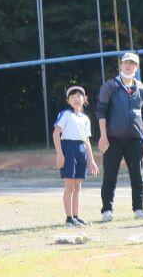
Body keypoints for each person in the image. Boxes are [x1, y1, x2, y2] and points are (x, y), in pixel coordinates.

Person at [97, 52, 143, 222]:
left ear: (137, 67)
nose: (128, 66)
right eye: (126, 62)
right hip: (113, 138)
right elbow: (101, 112)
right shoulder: (110, 86)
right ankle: (107, 210)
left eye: (132, 63)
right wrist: (103, 136)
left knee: (138, 176)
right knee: (110, 175)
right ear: (121, 65)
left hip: (136, 139)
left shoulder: (141, 88)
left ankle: (139, 208)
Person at [53, 86, 99, 227]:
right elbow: (56, 134)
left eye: (79, 96)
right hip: (68, 148)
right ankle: (69, 218)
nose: (76, 99)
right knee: (70, 186)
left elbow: (86, 141)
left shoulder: (85, 118)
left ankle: (76, 216)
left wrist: (91, 160)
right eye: (72, 97)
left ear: (84, 99)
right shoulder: (66, 114)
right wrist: (60, 154)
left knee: (78, 186)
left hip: (81, 149)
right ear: (68, 101)